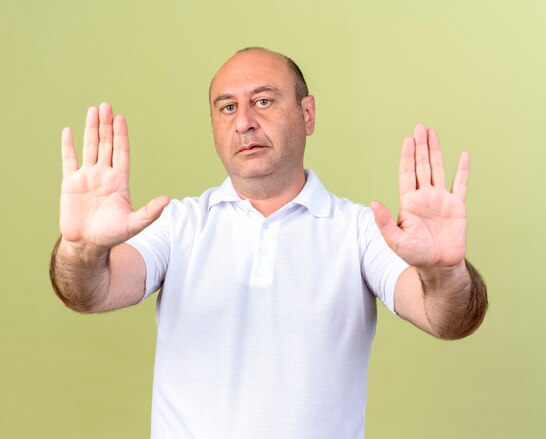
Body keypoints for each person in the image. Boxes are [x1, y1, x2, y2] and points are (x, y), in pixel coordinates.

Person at [50, 47, 487, 438]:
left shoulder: (360, 232)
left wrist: (444, 273)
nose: (244, 122)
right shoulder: (178, 224)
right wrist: (83, 251)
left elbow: (445, 318)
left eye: (263, 100)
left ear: (307, 114)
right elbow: (93, 292)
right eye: (226, 107)